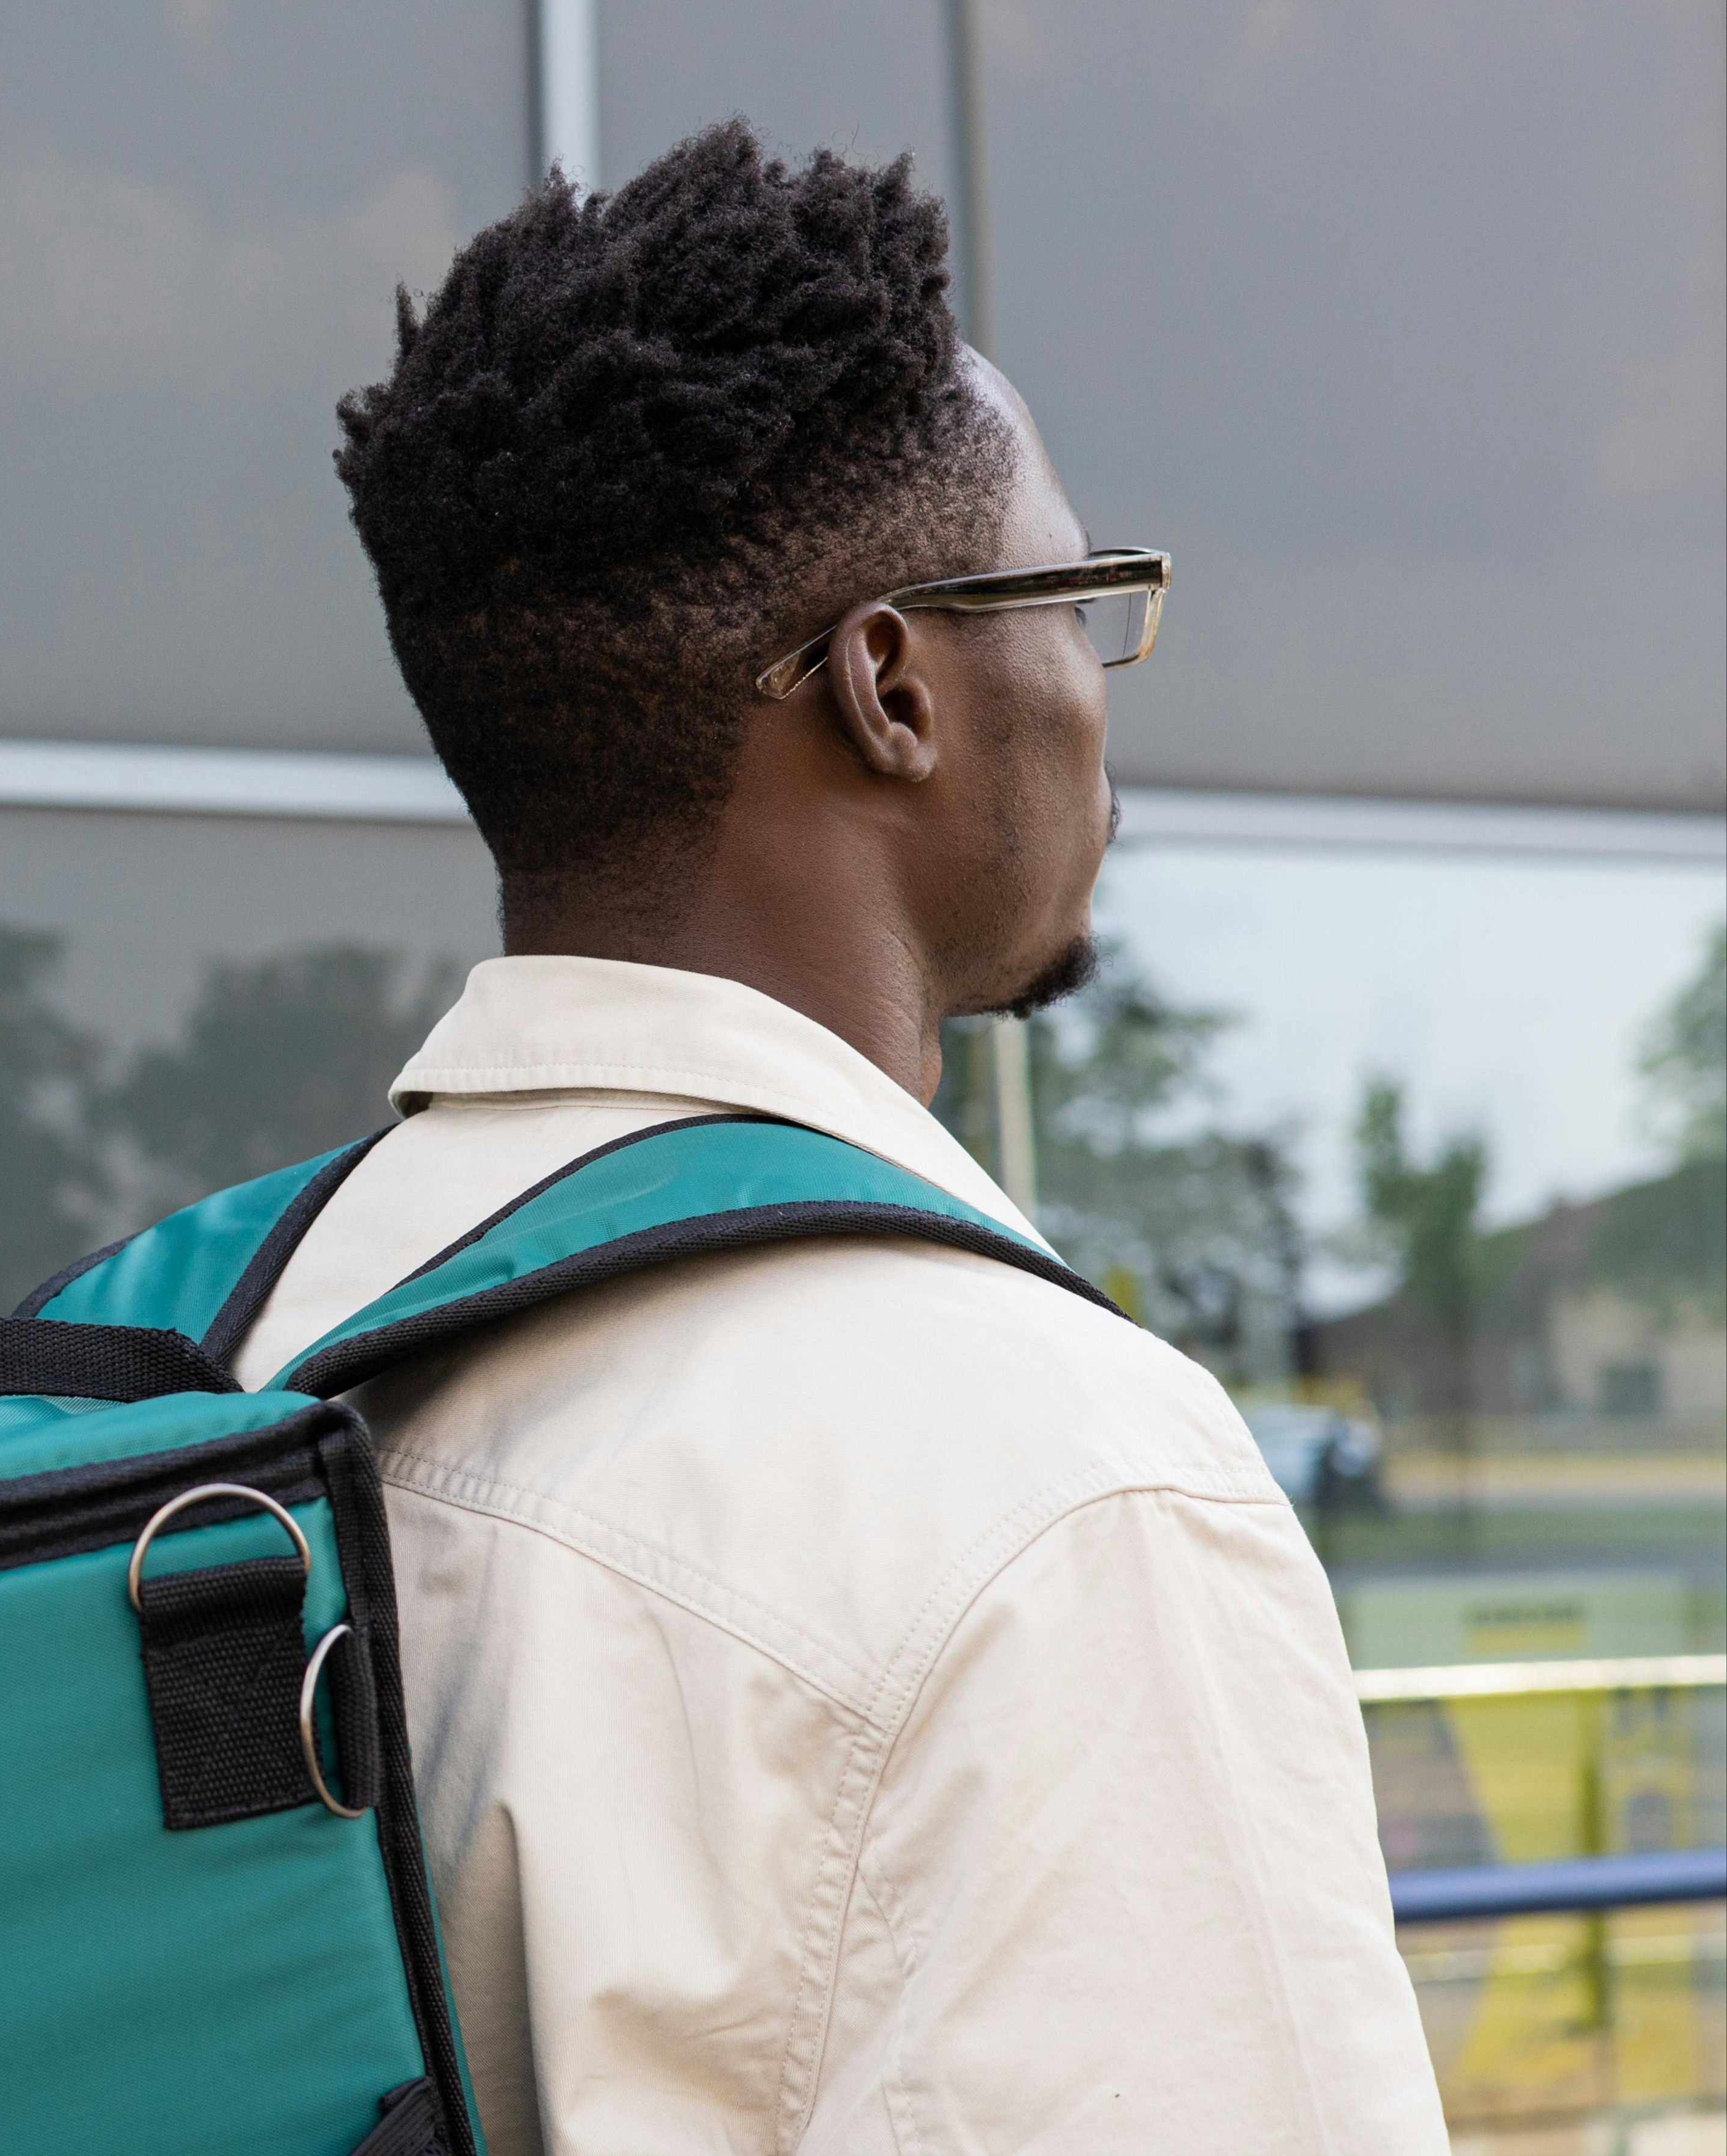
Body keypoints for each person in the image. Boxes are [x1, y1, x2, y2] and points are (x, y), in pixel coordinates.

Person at [296, 122, 1444, 2147]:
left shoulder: (258, 1339)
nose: (1097, 698)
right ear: (895, 688)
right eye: (1075, 600)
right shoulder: (1057, 1481)